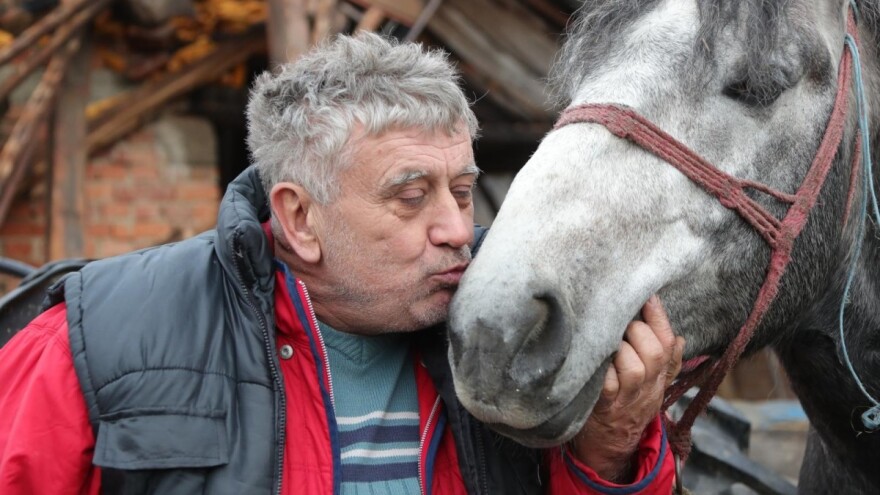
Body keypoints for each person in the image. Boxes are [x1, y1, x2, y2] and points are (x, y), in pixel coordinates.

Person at [0, 33, 683, 494]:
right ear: (300, 218)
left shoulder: (506, 343)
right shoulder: (90, 343)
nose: (459, 230)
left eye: (465, 190)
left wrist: (612, 449)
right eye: (412, 196)